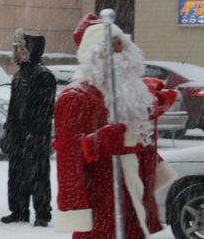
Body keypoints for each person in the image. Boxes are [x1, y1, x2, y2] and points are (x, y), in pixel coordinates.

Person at [54, 14, 177, 238]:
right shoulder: (77, 97)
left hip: (136, 197)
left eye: (121, 43)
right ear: (95, 54)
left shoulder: (132, 91)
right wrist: (100, 142)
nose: (119, 50)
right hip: (103, 197)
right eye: (112, 45)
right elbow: (69, 157)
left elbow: (142, 139)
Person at [0, 29, 56, 227]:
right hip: (18, 135)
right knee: (16, 174)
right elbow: (13, 109)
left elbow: (45, 109)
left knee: (38, 175)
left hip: (36, 136)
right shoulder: (18, 76)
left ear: (27, 50)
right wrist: (9, 131)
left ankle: (42, 213)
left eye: (18, 48)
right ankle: (18, 210)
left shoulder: (44, 76)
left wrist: (34, 133)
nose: (14, 52)